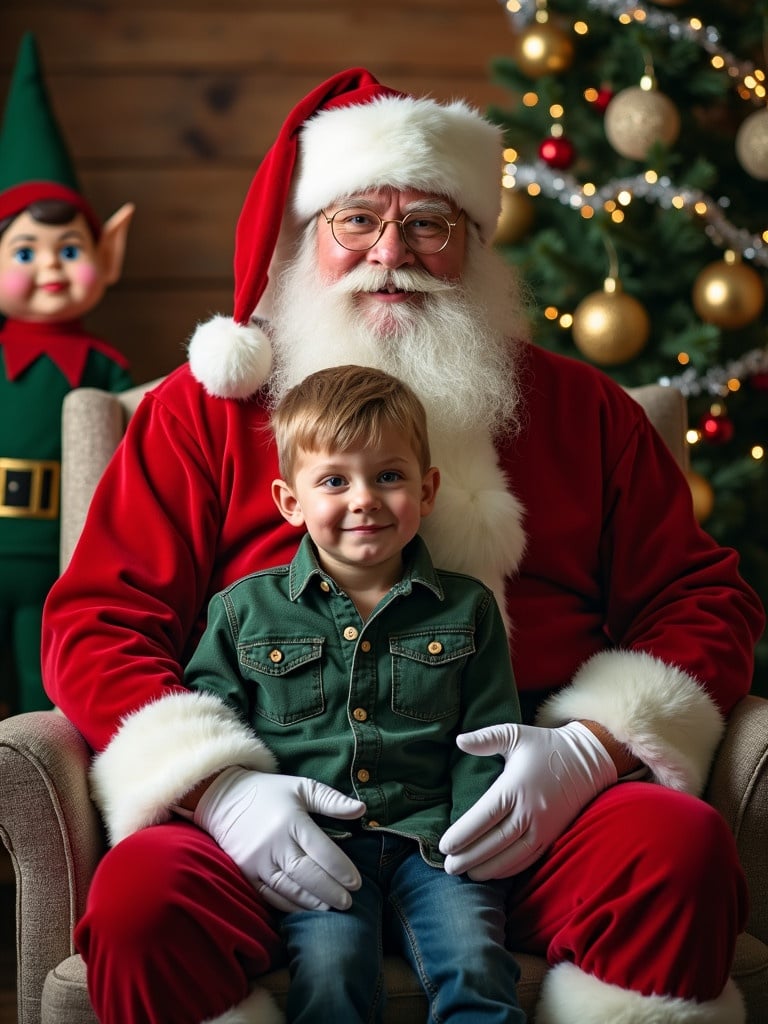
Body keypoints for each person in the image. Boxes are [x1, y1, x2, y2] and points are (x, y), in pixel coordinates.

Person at [41, 68, 765, 1024]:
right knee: (139, 903)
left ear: (473, 243)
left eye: (430, 222)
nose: (394, 253)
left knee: (679, 853)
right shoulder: (200, 416)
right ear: (309, 237)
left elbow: (702, 600)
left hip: (528, 822)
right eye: (356, 221)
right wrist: (217, 790)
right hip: (276, 822)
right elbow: (99, 622)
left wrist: (591, 750)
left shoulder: (585, 413)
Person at [183, 363, 525, 1023]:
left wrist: (474, 842)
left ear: (427, 491)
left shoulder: (469, 608)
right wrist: (233, 803)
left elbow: (488, 737)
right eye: (335, 481)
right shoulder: (244, 612)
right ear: (290, 501)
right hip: (310, 846)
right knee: (332, 971)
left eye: (388, 476)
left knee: (476, 960)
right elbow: (211, 731)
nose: (364, 498)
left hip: (437, 843)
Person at [0, 32, 133, 713]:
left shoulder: (108, 370)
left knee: (38, 689)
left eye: (70, 249)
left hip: (60, 560)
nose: (51, 268)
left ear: (108, 255)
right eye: (26, 251)